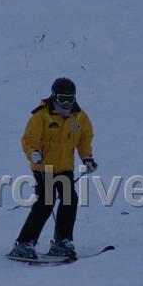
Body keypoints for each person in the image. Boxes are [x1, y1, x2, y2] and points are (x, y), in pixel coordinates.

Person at [10, 78, 97, 259]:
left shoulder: (79, 117)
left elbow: (84, 139)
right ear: (54, 96)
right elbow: (29, 139)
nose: (66, 103)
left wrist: (87, 158)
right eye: (62, 98)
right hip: (44, 167)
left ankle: (62, 241)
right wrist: (33, 152)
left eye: (70, 98)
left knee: (69, 200)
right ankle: (24, 243)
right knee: (46, 203)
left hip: (65, 167)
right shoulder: (42, 116)